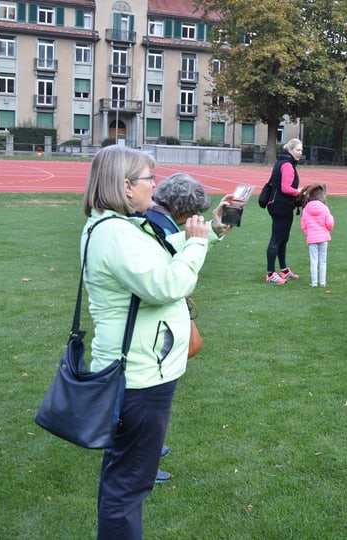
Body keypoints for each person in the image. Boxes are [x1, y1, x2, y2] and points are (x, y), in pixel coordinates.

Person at [81, 146, 214, 539]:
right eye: (147, 179)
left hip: (138, 367)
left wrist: (204, 236)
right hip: (139, 375)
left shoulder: (118, 227)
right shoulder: (117, 234)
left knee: (123, 476)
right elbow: (169, 284)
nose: (155, 189)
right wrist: (198, 245)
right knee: (129, 486)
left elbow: (161, 262)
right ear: (125, 187)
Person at [144, 173, 233, 484]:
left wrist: (210, 231)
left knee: (153, 397)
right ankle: (143, 461)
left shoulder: (158, 221)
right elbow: (174, 276)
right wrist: (197, 241)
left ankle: (148, 449)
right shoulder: (155, 224)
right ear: (183, 211)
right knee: (149, 397)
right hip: (155, 327)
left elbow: (175, 246)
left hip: (158, 324)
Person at [265, 138, 304, 284]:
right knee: (277, 239)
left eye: (301, 150)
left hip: (278, 204)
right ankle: (270, 274)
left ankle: (283, 269)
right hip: (281, 206)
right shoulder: (287, 165)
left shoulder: (282, 162)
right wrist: (300, 192)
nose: (300, 153)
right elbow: (286, 188)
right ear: (290, 150)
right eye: (297, 150)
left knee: (283, 239)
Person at [299, 183, 335, 288]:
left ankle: (314, 282)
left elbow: (303, 225)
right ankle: (322, 282)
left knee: (313, 260)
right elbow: (329, 224)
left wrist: (308, 233)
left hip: (312, 238)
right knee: (323, 260)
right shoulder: (325, 208)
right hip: (323, 237)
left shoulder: (306, 209)